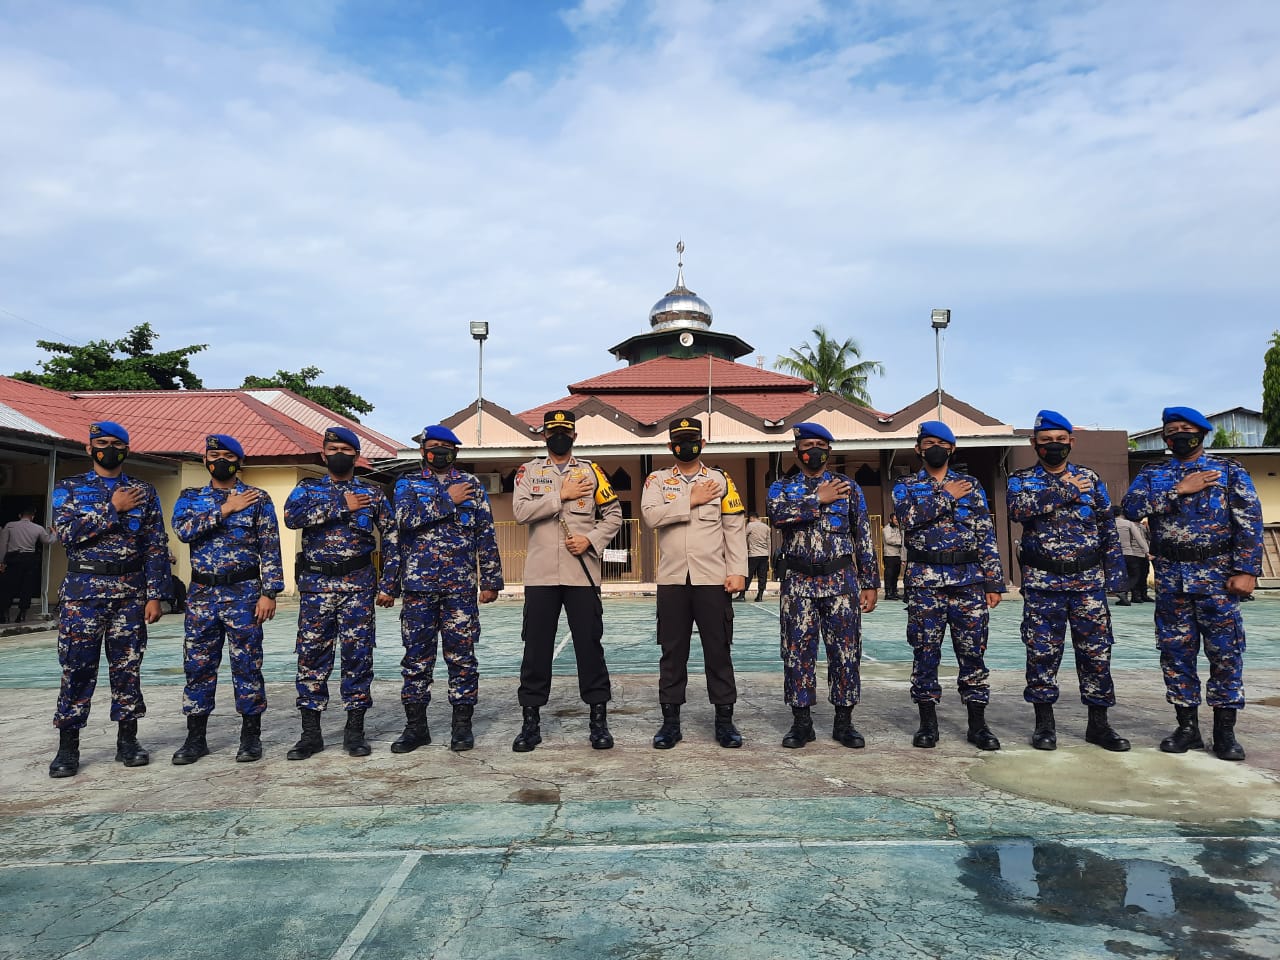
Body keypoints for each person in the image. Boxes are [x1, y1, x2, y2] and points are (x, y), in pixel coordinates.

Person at [1122, 406, 1262, 761]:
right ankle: (1187, 728)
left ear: (1201, 433)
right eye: (1172, 430)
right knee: (1175, 653)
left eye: (1186, 428)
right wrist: (1177, 490)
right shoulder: (1153, 473)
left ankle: (1225, 732)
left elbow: (1249, 521)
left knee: (1225, 654)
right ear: (1165, 437)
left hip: (1218, 578)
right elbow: (1131, 508)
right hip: (1172, 579)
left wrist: (1247, 570)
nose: (1179, 435)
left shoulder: (1228, 471)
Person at [47, 421, 170, 778]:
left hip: (129, 594)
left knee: (127, 669)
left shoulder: (143, 491)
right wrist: (112, 508)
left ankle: (128, 742)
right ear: (89, 448)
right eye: (101, 442)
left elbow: (155, 545)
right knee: (77, 669)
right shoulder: (69, 488)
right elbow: (66, 534)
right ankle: (68, 747)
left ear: (126, 450)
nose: (108, 449)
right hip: (83, 593)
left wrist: (156, 595)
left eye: (116, 443)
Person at [1007, 410, 1131, 752]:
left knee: (1096, 653)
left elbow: (1107, 528)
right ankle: (1044, 725)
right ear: (1034, 443)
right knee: (1042, 652)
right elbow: (1017, 511)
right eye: (1046, 440)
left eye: (1060, 440)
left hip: (1087, 582)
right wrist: (1064, 491)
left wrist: (1116, 576)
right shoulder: (1021, 480)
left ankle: (1099, 725)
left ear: (1071, 442)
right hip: (1042, 583)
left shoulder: (1090, 478)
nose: (1054, 445)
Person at [283, 427, 399, 760]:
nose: (339, 454)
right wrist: (339, 505)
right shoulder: (307, 489)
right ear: (323, 454)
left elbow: (391, 537)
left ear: (356, 456)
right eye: (333, 449)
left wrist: (389, 583)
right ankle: (310, 734)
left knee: (358, 657)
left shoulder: (372, 493)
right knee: (311, 658)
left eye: (346, 450)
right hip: (317, 587)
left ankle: (355, 731)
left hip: (358, 587)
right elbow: (291, 518)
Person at [510, 410, 622, 752]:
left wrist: (591, 539)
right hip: (541, 575)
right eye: (553, 432)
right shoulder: (529, 472)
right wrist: (561, 494)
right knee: (536, 649)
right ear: (544, 435)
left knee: (589, 647)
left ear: (574, 436)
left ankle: (598, 721)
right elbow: (520, 512)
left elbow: (614, 515)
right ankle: (530, 723)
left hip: (581, 574)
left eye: (565, 432)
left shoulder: (592, 471)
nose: (559, 437)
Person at [170, 434, 284, 765]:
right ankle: (195, 738)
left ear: (239, 461)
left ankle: (250, 737)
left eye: (227, 455)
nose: (219, 460)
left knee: (247, 665)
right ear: (205, 460)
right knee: (198, 666)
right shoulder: (191, 497)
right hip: (202, 594)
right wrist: (226, 509)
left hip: (244, 594)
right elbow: (183, 531)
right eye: (213, 454)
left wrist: (269, 592)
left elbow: (270, 545)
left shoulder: (257, 498)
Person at [389, 424, 503, 753]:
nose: (439, 452)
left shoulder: (472, 484)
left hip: (460, 589)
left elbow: (485, 533)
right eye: (434, 446)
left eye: (446, 447)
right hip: (418, 588)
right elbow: (403, 521)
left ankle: (461, 727)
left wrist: (491, 580)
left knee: (462, 658)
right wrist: (446, 500)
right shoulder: (407, 484)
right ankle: (416, 728)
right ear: (423, 449)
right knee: (416, 660)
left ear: (455, 452)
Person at [892, 421, 1004, 751]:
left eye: (941, 444)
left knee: (973, 652)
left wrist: (993, 580)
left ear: (952, 449)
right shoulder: (906, 486)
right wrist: (945, 496)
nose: (935, 449)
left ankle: (978, 724)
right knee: (925, 651)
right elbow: (906, 519)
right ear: (918, 449)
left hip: (969, 581)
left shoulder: (971, 485)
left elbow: (985, 533)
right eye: (928, 443)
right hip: (925, 581)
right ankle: (928, 723)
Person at [767, 423, 879, 749]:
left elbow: (862, 535)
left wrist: (870, 582)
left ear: (829, 451)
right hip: (798, 585)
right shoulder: (782, 487)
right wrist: (817, 498)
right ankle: (801, 723)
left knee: (846, 653)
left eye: (820, 445)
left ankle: (844, 722)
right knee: (796, 654)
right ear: (796, 452)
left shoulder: (848, 488)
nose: (814, 451)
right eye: (808, 445)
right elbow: (777, 515)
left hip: (841, 584)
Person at [640, 417, 748, 749]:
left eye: (692, 440)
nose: (686, 446)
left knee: (718, 651)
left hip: (712, 579)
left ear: (702, 443)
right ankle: (670, 723)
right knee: (672, 653)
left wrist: (738, 570)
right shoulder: (657, 480)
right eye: (680, 441)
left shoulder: (720, 480)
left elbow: (734, 527)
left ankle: (724, 722)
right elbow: (651, 516)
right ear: (670, 445)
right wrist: (691, 499)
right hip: (672, 579)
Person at [0, 506, 54, 622]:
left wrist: (2, 562)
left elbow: (3, 545)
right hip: (29, 559)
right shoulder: (38, 528)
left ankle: (5, 614)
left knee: (8, 587)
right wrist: (54, 533)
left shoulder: (10, 525)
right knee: (27, 586)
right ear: (32, 517)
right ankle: (22, 613)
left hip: (13, 559)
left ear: (20, 515)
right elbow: (48, 541)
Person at [1113, 513, 1151, 604]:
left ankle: (1125, 597)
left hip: (1115, 553)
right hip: (1131, 553)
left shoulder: (1111, 524)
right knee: (1135, 575)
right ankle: (1125, 592)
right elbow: (1141, 539)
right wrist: (1147, 552)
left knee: (1122, 576)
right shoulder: (1129, 524)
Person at [737, 513, 772, 602]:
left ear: (752, 518)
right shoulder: (766, 527)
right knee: (762, 576)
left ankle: (742, 595)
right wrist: (769, 555)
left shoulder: (750, 525)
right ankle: (760, 595)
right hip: (764, 554)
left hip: (753, 554)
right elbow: (769, 542)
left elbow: (743, 536)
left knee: (748, 575)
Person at [881, 514, 904, 601]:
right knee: (889, 575)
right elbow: (888, 540)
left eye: (897, 519)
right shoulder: (886, 529)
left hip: (897, 555)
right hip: (889, 555)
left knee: (895, 575)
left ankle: (894, 592)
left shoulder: (897, 529)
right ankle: (888, 593)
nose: (897, 521)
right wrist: (900, 541)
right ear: (890, 520)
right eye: (895, 519)